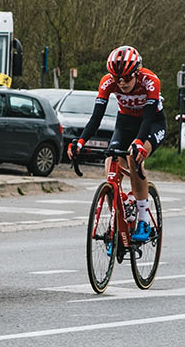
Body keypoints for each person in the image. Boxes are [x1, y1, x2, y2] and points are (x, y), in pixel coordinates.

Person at [68, 45, 165, 242]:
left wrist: (139, 142)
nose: (121, 82)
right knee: (110, 162)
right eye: (116, 78)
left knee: (134, 157)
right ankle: (118, 220)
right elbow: (96, 119)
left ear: (137, 72)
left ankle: (144, 221)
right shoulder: (107, 82)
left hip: (152, 123)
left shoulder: (151, 81)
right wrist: (80, 141)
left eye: (127, 77)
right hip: (126, 122)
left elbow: (147, 120)